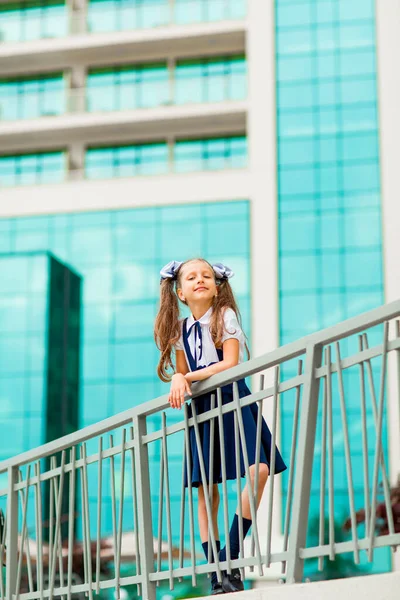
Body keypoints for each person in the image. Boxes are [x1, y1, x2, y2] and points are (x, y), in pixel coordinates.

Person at [154, 258, 287, 595]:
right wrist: (180, 377)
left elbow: (230, 363)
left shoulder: (224, 316)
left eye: (207, 276)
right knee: (206, 490)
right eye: (191, 277)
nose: (200, 280)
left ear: (216, 286)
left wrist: (184, 376)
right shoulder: (179, 330)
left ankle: (231, 551)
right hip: (202, 408)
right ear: (180, 292)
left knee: (259, 470)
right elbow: (182, 377)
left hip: (232, 397)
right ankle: (217, 572)